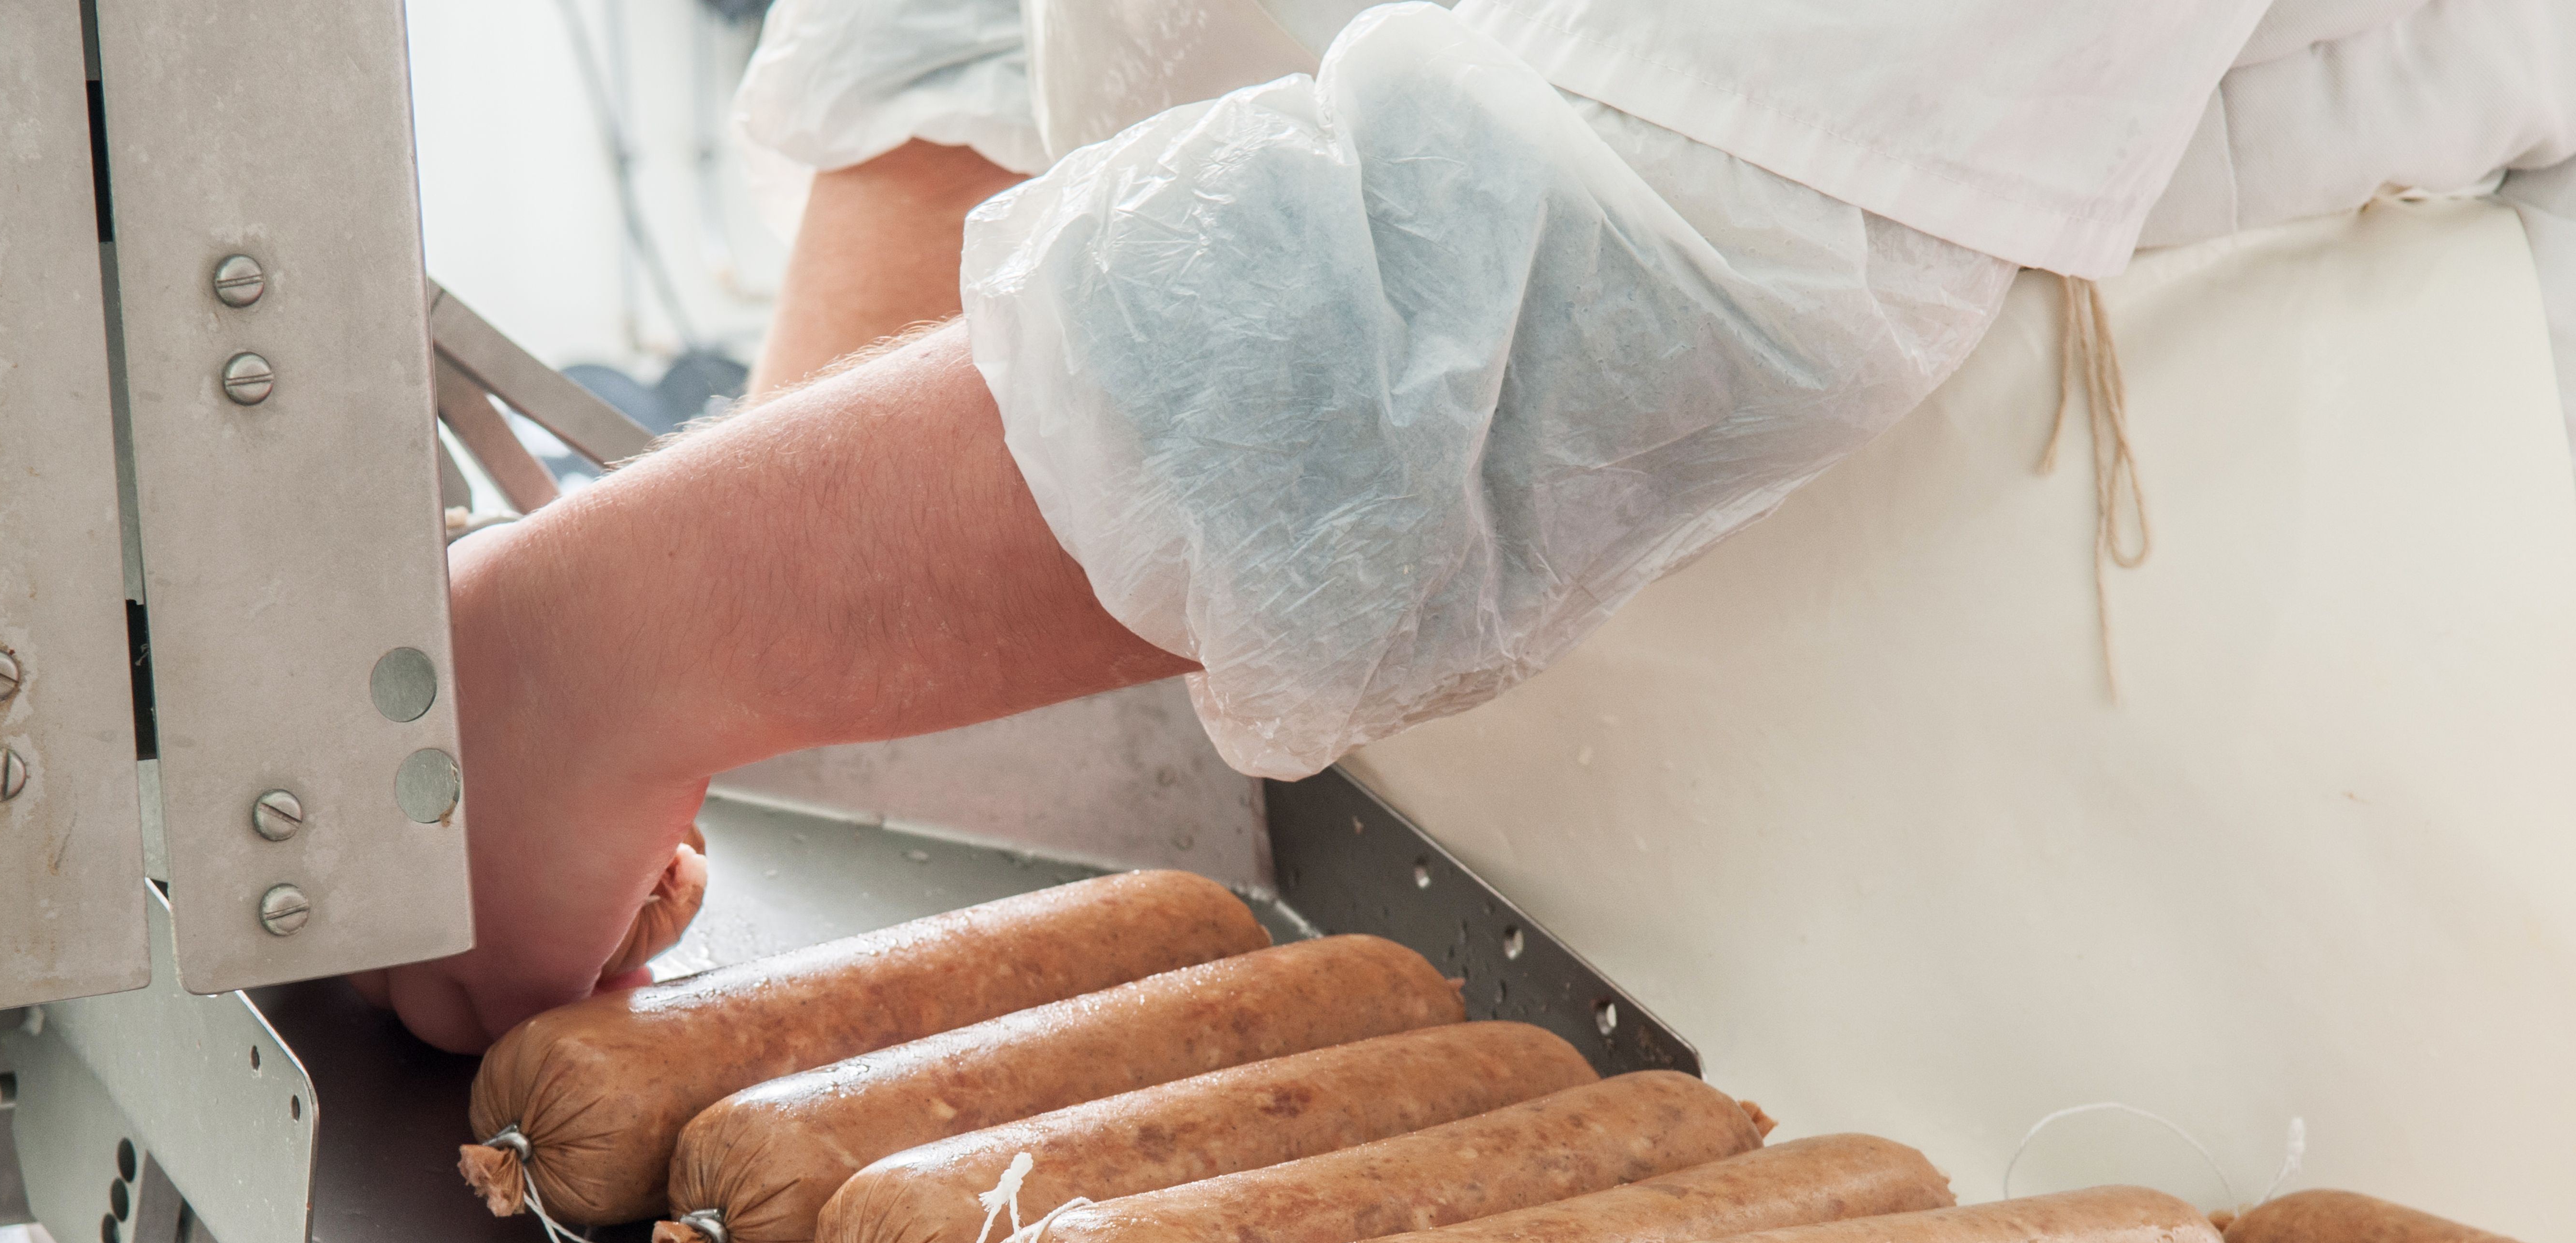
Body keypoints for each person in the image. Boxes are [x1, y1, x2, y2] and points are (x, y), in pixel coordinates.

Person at [360, 0, 2576, 1055]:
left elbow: (1647, 245)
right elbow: (976, 42)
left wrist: (609, 654)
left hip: (2141, 906)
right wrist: (814, 726)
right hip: (1444, 863)